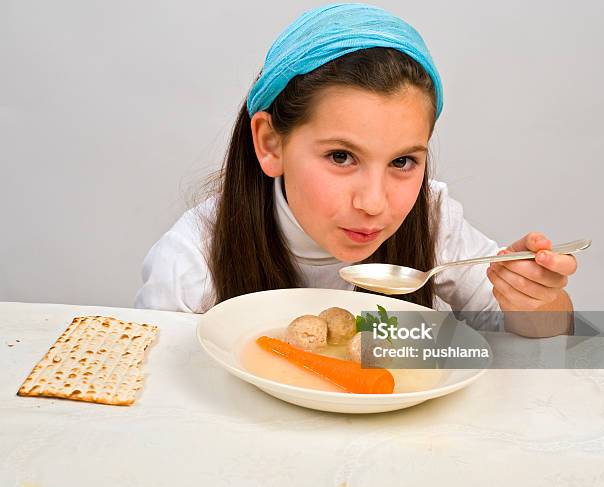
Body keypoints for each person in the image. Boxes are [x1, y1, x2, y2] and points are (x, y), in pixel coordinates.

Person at [134, 3, 577, 336]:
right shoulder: (190, 262)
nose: (373, 203)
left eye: (403, 162)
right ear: (271, 143)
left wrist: (538, 304)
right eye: (341, 157)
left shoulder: (434, 220)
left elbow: (529, 342)